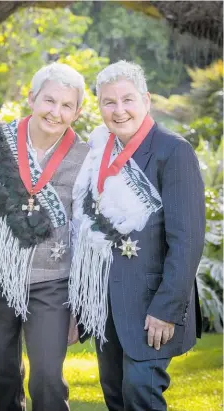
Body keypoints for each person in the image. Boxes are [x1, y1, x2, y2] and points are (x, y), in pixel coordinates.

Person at [69, 60, 205, 411]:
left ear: (146, 100)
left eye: (127, 100)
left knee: (140, 394)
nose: (119, 110)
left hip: (152, 306)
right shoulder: (97, 151)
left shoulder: (172, 151)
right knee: (115, 397)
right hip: (107, 308)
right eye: (108, 102)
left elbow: (187, 240)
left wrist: (167, 309)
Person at [0, 62, 89, 411]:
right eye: (49, 100)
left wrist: (78, 306)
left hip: (52, 281)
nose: (55, 112)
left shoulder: (84, 157)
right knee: (1, 377)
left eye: (66, 105)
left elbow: (85, 236)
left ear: (77, 111)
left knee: (47, 378)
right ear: (31, 98)